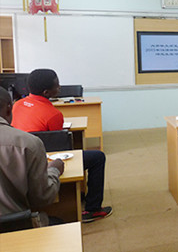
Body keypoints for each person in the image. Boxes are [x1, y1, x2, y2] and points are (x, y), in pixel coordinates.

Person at [11, 69, 112, 223]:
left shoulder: (17, 105)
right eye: (57, 85)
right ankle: (93, 209)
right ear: (46, 92)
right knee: (98, 157)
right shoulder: (53, 114)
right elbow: (58, 145)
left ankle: (81, 193)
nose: (59, 88)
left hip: (18, 160)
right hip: (44, 160)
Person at [0, 86, 64, 223]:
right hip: (16, 226)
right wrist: (54, 170)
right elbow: (42, 198)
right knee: (61, 225)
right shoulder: (29, 143)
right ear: (8, 108)